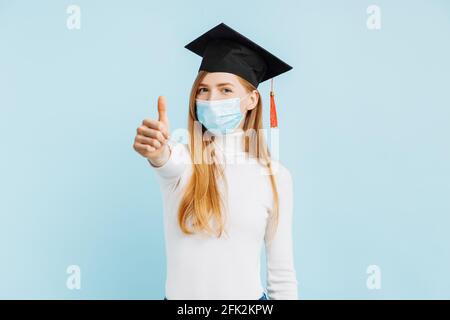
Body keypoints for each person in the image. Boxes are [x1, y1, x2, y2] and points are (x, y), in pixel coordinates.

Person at [133, 23, 298, 300]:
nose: (211, 99)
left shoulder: (275, 176)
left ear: (251, 100)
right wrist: (156, 148)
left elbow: (281, 274)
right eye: (203, 90)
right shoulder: (183, 160)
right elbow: (165, 160)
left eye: (225, 90)